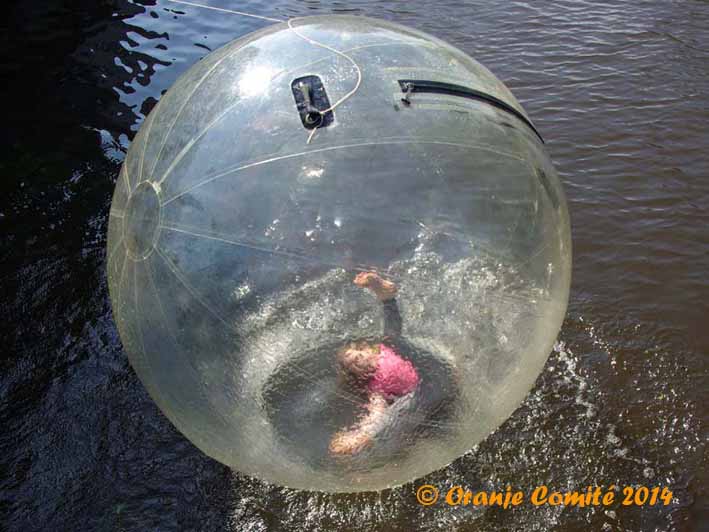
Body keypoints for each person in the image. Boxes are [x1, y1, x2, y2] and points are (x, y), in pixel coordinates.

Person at [328, 271, 421, 456]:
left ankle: (386, 296)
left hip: (408, 357)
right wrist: (364, 433)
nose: (360, 358)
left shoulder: (382, 349)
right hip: (418, 390)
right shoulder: (375, 387)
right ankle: (361, 437)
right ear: (357, 375)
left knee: (391, 335)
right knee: (400, 410)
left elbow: (391, 334)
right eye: (355, 362)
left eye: (359, 352)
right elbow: (377, 411)